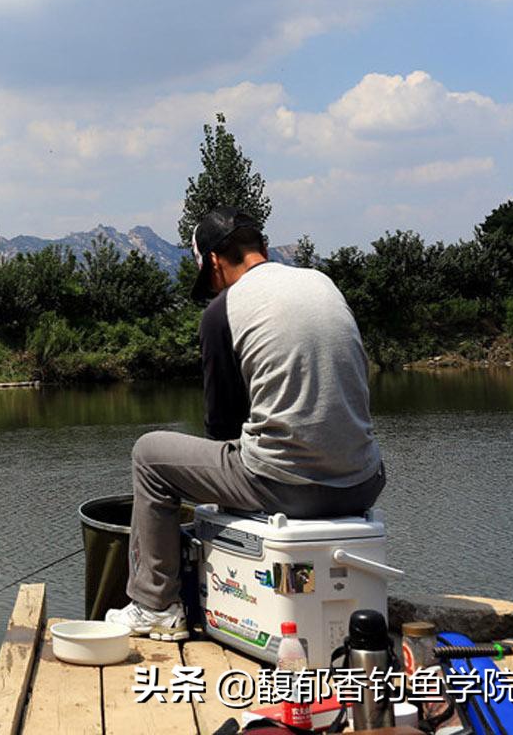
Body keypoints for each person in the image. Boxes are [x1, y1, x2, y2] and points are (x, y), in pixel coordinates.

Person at [104, 206, 385, 640]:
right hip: (363, 481)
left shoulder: (223, 311)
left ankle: (155, 605)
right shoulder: (322, 283)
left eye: (209, 278)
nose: (213, 289)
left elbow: (221, 427)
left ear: (214, 262)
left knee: (149, 456)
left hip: (286, 486)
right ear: (262, 247)